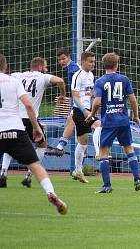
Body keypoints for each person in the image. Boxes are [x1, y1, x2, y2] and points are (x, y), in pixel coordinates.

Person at [0, 53, 67, 215]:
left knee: (8, 149)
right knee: (39, 150)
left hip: (10, 122)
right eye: (45, 66)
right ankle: (37, 182)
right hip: (21, 123)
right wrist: (63, 95)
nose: (47, 68)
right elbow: (59, 81)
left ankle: (3, 172)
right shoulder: (18, 80)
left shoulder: (17, 75)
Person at [85, 53, 140, 193]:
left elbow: (97, 101)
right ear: (117, 65)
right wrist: (136, 116)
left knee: (103, 151)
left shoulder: (99, 81)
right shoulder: (124, 79)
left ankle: (107, 185)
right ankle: (137, 179)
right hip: (123, 120)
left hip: (109, 122)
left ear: (103, 65)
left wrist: (92, 114)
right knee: (129, 149)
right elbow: (133, 100)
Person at [69, 51, 102, 184]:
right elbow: (75, 96)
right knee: (99, 125)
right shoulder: (78, 75)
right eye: (90, 61)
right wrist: (84, 111)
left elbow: (90, 93)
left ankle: (78, 170)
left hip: (88, 110)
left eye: (94, 61)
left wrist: (97, 103)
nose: (93, 64)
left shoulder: (91, 75)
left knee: (82, 142)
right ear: (83, 62)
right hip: (79, 110)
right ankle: (99, 152)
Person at [53, 48, 81, 155]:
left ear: (69, 57)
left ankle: (60, 147)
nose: (61, 62)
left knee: (71, 120)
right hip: (79, 100)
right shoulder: (72, 68)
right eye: (59, 60)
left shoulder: (73, 69)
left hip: (82, 101)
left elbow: (78, 87)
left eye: (63, 59)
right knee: (74, 123)